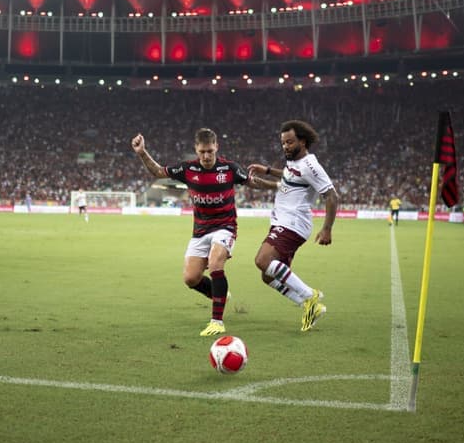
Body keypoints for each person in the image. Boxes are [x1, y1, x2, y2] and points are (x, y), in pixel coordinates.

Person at [131, 128, 263, 336]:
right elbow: (158, 172)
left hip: (225, 226)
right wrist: (142, 152)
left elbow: (254, 183)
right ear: (196, 150)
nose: (206, 156)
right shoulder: (188, 169)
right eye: (202, 152)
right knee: (191, 278)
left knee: (216, 263)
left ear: (216, 147)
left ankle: (217, 321)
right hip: (200, 231)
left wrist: (279, 184)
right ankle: (219, 293)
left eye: (210, 151)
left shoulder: (229, 169)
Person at [248, 120, 339, 332]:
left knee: (262, 260)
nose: (285, 147)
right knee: (268, 276)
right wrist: (269, 171)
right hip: (282, 221)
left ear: (302, 141)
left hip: (293, 223)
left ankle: (310, 295)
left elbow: (332, 196)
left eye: (289, 142)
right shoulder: (293, 161)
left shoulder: (311, 166)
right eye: (283, 143)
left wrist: (327, 228)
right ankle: (309, 306)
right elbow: (291, 175)